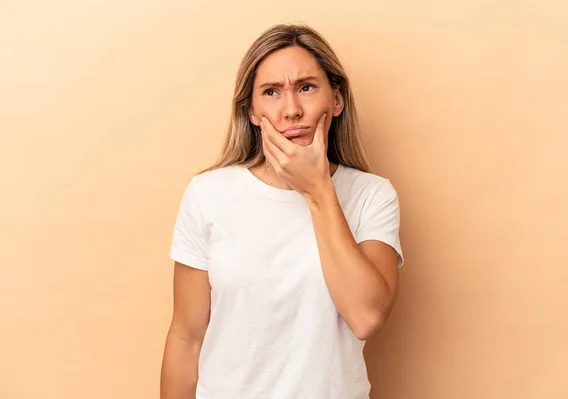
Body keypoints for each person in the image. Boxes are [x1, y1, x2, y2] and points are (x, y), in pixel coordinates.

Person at [160, 23, 404, 399]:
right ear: (253, 112)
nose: (291, 110)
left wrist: (319, 189)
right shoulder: (208, 194)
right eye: (271, 92)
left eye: (306, 87)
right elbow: (187, 337)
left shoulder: (372, 196)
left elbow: (366, 316)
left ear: (336, 100)